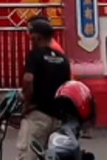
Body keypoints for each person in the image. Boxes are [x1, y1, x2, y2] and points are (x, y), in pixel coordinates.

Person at [17, 18, 72, 160]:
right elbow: (67, 87)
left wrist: (26, 104)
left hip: (38, 115)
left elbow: (28, 79)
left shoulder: (35, 54)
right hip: (57, 118)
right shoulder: (63, 59)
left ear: (38, 37)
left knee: (29, 155)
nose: (30, 39)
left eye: (32, 36)